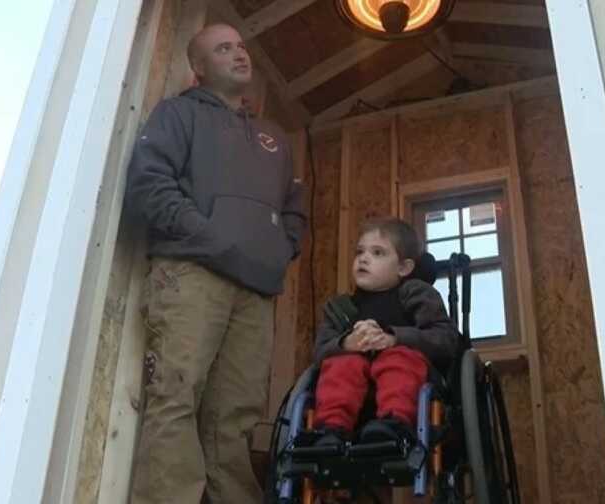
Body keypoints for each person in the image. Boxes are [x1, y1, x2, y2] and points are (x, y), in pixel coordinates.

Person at [126, 23, 306, 504]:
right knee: (175, 397)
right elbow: (149, 183)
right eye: (223, 49)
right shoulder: (178, 114)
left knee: (235, 418)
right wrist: (206, 234)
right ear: (199, 68)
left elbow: (294, 208)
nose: (239, 55)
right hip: (192, 273)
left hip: (255, 288)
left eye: (241, 46)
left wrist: (279, 249)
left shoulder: (274, 138)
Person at [312, 218, 458, 445]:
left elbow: (445, 340)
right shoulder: (340, 308)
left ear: (403, 268)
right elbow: (319, 353)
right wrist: (346, 344)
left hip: (409, 386)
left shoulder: (417, 294)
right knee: (343, 363)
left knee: (397, 357)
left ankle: (394, 423)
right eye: (360, 252)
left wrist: (394, 338)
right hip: (354, 391)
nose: (363, 258)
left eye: (378, 253)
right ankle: (332, 429)